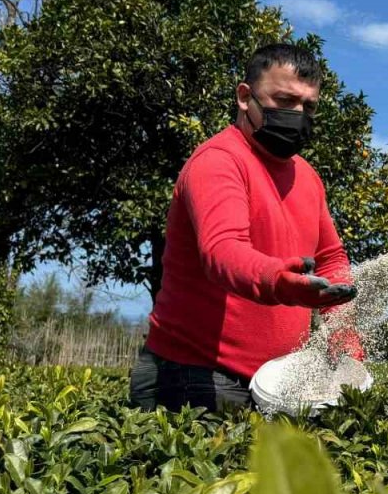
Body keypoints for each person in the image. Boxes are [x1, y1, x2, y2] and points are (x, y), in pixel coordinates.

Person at [127, 43, 360, 412]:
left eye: (309, 106)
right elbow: (222, 250)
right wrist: (280, 282)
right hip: (197, 377)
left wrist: (344, 338)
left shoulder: (308, 177)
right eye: (284, 100)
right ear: (244, 97)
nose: (297, 114)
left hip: (274, 382)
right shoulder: (219, 161)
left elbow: (331, 260)